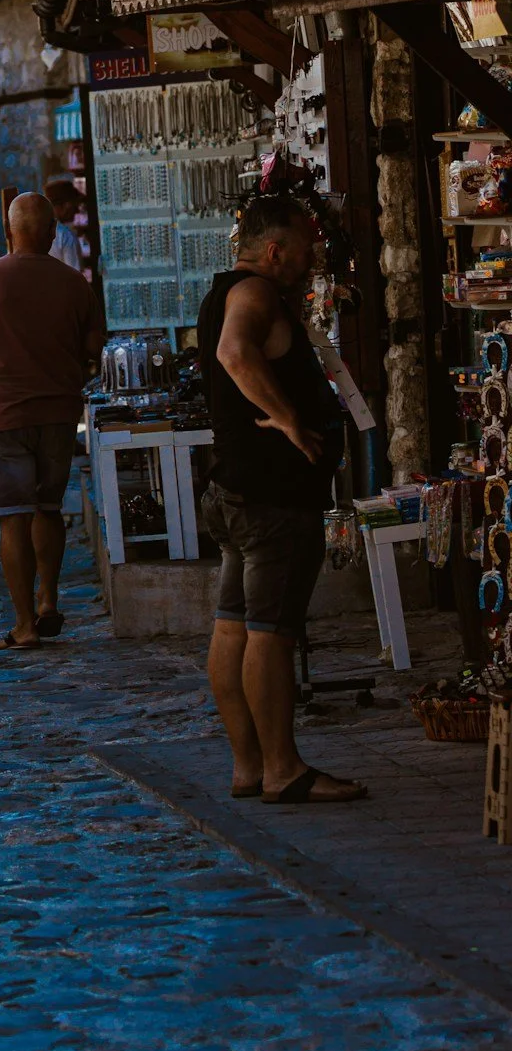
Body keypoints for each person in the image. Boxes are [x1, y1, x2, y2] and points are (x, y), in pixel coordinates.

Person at [197, 199, 364, 806]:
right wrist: (289, 418)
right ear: (275, 251)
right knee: (270, 632)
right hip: (270, 498)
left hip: (241, 490)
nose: (313, 256)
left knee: (235, 622)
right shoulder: (256, 294)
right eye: (305, 246)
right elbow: (234, 354)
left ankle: (249, 766)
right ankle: (281, 769)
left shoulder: (226, 291)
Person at [0, 193, 106, 648]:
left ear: (8, 233)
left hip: (3, 413)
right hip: (57, 410)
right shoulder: (75, 284)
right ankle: (49, 599)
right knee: (48, 509)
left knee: (13, 517)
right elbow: (95, 349)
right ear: (53, 235)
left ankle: (24, 625)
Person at [43, 177, 87, 274]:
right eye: (75, 205)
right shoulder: (66, 236)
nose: (77, 211)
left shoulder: (36, 233)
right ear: (67, 205)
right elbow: (76, 279)